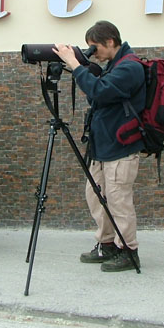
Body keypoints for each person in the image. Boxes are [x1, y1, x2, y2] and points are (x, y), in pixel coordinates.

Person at [53, 20, 145, 272]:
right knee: (96, 196)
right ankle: (108, 244)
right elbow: (98, 95)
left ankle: (129, 251)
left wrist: (75, 65)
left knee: (118, 201)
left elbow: (100, 91)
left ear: (111, 41)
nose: (93, 52)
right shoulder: (113, 66)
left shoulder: (130, 67)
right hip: (102, 146)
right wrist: (84, 68)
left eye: (95, 47)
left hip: (121, 147)